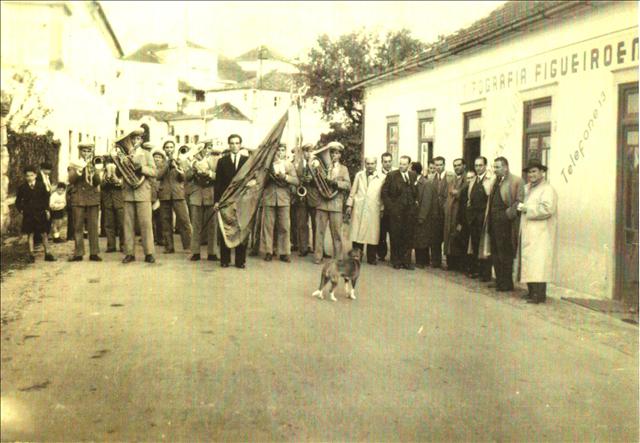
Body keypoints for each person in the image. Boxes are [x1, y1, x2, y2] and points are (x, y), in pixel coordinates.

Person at [518, 159, 558, 304]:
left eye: (534, 171)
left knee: (539, 264)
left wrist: (527, 209)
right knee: (529, 262)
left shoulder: (547, 189)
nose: (531, 175)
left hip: (541, 232)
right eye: (529, 172)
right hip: (529, 230)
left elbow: (548, 209)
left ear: (542, 172)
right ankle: (531, 291)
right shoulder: (528, 188)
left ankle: (539, 295)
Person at [118, 127, 157, 264]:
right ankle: (129, 253)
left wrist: (141, 169)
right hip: (128, 192)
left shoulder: (147, 154)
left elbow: (154, 172)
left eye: (138, 139)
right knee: (128, 225)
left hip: (143, 192)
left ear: (141, 140)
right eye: (132, 139)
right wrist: (121, 165)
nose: (135, 141)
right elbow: (119, 173)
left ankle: (149, 253)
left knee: (146, 224)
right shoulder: (124, 155)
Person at [484, 156, 524, 292]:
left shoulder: (516, 181)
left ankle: (507, 283)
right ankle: (499, 280)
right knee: (495, 252)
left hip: (507, 224)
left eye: (498, 167)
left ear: (506, 167)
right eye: (494, 167)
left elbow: (519, 202)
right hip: (493, 223)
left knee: (505, 254)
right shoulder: (495, 181)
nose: (495, 170)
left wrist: (507, 215)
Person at [312, 141, 351, 264]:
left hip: (336, 205)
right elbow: (316, 182)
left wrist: (335, 183)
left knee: (337, 233)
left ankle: (338, 258)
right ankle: (318, 257)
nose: (335, 155)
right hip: (322, 204)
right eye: (332, 153)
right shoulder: (322, 167)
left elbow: (348, 185)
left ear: (340, 155)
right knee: (319, 232)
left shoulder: (344, 169)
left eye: (337, 153)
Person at [215, 134, 249, 268]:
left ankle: (240, 261)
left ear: (240, 145)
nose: (235, 146)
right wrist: (217, 201)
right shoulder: (222, 161)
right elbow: (218, 183)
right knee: (227, 228)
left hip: (242, 200)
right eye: (232, 143)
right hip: (226, 200)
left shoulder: (247, 160)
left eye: (237, 143)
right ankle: (225, 259)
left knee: (241, 228)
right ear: (228, 145)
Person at [261, 143, 299, 262]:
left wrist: (285, 177)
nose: (280, 152)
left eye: (282, 150)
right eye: (278, 150)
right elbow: (260, 180)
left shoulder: (289, 165)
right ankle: (268, 251)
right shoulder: (268, 165)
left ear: (285, 152)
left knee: (284, 226)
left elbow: (296, 181)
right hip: (269, 198)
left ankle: (284, 252)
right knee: (268, 226)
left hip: (284, 199)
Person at [346, 156, 384, 265]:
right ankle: (356, 256)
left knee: (372, 234)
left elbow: (382, 196)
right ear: (365, 164)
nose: (370, 166)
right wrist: (349, 205)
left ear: (376, 164)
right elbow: (353, 191)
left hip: (373, 207)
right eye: (368, 163)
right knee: (357, 232)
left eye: (372, 164)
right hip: (360, 206)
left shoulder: (381, 177)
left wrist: (382, 208)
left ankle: (371, 258)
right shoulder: (359, 175)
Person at [68, 143, 102, 262]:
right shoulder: (74, 163)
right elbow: (70, 180)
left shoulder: (95, 163)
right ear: (80, 152)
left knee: (93, 226)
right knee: (78, 226)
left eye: (88, 151)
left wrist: (95, 171)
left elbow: (98, 182)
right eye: (84, 151)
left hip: (92, 197)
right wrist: (79, 170)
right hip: (78, 197)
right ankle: (78, 253)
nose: (86, 154)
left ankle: (94, 253)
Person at [381, 155, 417, 270]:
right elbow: (384, 192)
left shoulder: (413, 175)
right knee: (396, 236)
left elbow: (415, 192)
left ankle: (406, 261)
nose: (401, 166)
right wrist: (391, 208)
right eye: (400, 163)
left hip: (409, 213)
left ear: (409, 165)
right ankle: (396, 260)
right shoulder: (392, 175)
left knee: (408, 237)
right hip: (396, 212)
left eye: (404, 164)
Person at [157, 138, 192, 254]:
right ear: (164, 149)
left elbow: (184, 178)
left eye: (171, 147)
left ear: (174, 148)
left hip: (178, 194)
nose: (169, 150)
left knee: (184, 220)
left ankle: (188, 246)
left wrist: (178, 167)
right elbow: (159, 175)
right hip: (165, 194)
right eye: (167, 147)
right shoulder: (160, 162)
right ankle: (169, 247)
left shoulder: (180, 161)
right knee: (166, 221)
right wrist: (168, 163)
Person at [187, 142, 221, 261]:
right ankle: (195, 252)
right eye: (203, 149)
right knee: (195, 225)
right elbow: (186, 177)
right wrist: (193, 167)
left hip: (211, 194)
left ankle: (212, 252)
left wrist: (209, 173)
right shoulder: (192, 160)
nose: (205, 151)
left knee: (212, 225)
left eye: (208, 148)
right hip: (196, 195)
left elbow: (220, 176)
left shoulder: (216, 160)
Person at [15, 165, 56, 263]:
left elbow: (46, 198)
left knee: (44, 233)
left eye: (31, 175)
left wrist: (47, 210)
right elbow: (18, 201)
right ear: (25, 177)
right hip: (28, 215)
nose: (29, 178)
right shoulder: (22, 187)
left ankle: (48, 253)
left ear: (35, 175)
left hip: (40, 213)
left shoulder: (41, 185)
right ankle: (31, 254)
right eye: (27, 176)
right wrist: (21, 210)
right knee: (30, 234)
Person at [467, 156, 493, 282]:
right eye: (476, 165)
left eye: (480, 165)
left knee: (485, 246)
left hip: (484, 217)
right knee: (476, 245)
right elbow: (469, 199)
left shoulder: (490, 180)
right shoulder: (473, 180)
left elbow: (490, 199)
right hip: (474, 218)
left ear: (485, 166)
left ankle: (486, 274)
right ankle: (478, 270)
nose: (478, 168)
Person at [293, 143, 319, 257]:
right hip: (302, 197)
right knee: (302, 223)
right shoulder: (299, 164)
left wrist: (312, 180)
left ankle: (317, 248)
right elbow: (295, 178)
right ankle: (303, 248)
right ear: (303, 153)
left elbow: (321, 181)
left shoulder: (317, 163)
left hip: (313, 197)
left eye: (310, 151)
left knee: (316, 224)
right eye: (306, 151)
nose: (308, 154)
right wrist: (301, 180)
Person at [412, 162, 437, 269]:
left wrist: (422, 217)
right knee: (418, 239)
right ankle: (420, 260)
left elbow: (426, 202)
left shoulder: (426, 183)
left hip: (423, 216)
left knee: (422, 239)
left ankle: (422, 261)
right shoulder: (414, 182)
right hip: (415, 215)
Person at [431, 156, 455, 268]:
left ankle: (450, 262)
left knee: (448, 237)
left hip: (447, 212)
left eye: (440, 164)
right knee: (435, 237)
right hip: (435, 213)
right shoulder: (431, 178)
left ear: (444, 165)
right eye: (436, 165)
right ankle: (436, 261)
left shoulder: (451, 177)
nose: (438, 167)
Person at [444, 158, 467, 271]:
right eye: (455, 165)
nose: (457, 167)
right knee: (449, 236)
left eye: (459, 165)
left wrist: (458, 193)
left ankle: (459, 264)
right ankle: (451, 263)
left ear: (464, 166)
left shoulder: (466, 179)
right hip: (450, 212)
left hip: (459, 212)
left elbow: (463, 193)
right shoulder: (452, 179)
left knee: (457, 236)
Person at [101, 158, 125, 253]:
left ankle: (123, 245)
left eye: (112, 163)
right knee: (109, 224)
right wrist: (107, 178)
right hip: (108, 201)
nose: (110, 165)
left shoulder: (122, 172)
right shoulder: (103, 172)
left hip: (119, 201)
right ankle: (111, 246)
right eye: (109, 163)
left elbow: (125, 185)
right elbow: (101, 185)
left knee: (122, 224)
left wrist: (117, 180)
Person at [455, 169, 477, 274]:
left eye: (472, 178)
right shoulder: (464, 191)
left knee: (472, 246)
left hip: (473, 221)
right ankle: (464, 267)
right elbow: (460, 207)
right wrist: (459, 222)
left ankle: (472, 268)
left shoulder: (477, 189)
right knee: (464, 244)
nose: (469, 180)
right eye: (467, 178)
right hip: (464, 222)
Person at [377, 152, 393, 262]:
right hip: (381, 208)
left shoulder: (396, 173)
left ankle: (394, 255)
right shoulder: (378, 175)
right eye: (385, 162)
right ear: (382, 163)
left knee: (394, 232)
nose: (387, 164)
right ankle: (382, 254)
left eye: (389, 161)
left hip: (393, 208)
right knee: (381, 233)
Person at [151, 149, 164, 249]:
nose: (157, 159)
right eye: (155, 157)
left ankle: (160, 238)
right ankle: (152, 238)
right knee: (150, 220)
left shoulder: (163, 169)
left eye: (159, 157)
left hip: (159, 197)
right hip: (150, 196)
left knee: (159, 219)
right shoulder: (151, 168)